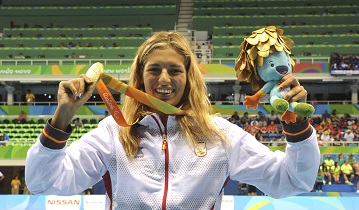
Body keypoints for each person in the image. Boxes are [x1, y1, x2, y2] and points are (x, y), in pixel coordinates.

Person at [25, 31, 320, 209]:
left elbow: (293, 181)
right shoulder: (112, 134)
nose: (164, 79)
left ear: (188, 77)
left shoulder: (220, 135)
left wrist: (295, 125)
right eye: (154, 70)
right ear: (140, 76)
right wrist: (62, 117)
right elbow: (45, 183)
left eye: (174, 70)